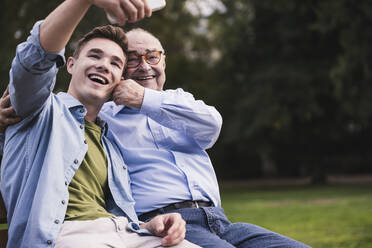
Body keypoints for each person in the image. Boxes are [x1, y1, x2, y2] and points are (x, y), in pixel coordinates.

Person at [0, 14, 310, 248]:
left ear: (164, 60)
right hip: (163, 226)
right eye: (132, 59)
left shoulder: (179, 102)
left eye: (153, 56)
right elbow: (38, 96)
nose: (145, 65)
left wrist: (144, 100)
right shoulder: (99, 116)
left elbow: (212, 125)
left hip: (219, 220)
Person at [0, 0, 201, 247]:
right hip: (63, 236)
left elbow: (112, 212)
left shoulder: (111, 142)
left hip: (122, 233)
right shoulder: (40, 110)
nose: (104, 65)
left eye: (115, 63)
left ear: (119, 80)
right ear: (71, 65)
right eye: (95, 55)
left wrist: (148, 225)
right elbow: (34, 60)